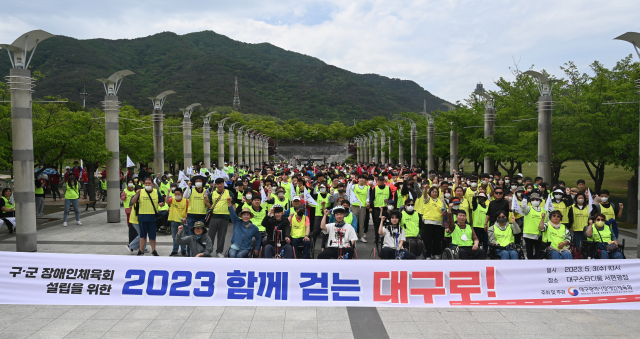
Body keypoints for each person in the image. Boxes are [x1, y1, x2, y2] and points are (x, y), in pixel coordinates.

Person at [129, 177, 165, 256]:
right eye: (146, 183)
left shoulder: (156, 192)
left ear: (152, 184)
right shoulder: (140, 192)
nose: (147, 185)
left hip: (153, 217)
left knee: (152, 236)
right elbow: (132, 202)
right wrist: (137, 194)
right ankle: (141, 251)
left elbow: (161, 201)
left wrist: (161, 204)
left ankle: (154, 250)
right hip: (142, 217)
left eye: (149, 183)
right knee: (142, 235)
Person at [415, 186, 445, 259]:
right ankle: (428, 255)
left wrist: (442, 212)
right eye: (433, 192)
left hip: (438, 223)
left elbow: (443, 209)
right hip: (428, 222)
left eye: (436, 192)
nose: (435, 193)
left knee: (437, 240)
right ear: (430, 192)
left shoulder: (440, 201)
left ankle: (436, 254)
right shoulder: (428, 199)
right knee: (428, 240)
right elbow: (425, 195)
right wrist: (425, 189)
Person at [207, 178, 232, 258]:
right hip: (214, 217)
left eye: (221, 183)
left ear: (223, 184)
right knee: (211, 235)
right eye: (217, 184)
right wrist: (205, 200)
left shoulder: (229, 192)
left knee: (222, 236)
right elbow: (210, 205)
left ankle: (219, 251)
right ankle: (208, 250)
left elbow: (233, 204)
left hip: (224, 217)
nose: (219, 185)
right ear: (216, 185)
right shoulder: (213, 193)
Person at [521, 192, 547, 259]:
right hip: (528, 234)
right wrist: (525, 197)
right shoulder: (528, 209)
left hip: (539, 235)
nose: (535, 201)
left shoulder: (544, 210)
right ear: (530, 201)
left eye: (537, 199)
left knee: (538, 253)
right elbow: (523, 206)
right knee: (529, 252)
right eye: (533, 199)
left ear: (540, 201)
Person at [167, 187, 189, 256]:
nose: (177, 195)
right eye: (175, 194)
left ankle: (183, 250)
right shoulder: (172, 199)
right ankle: (174, 250)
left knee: (182, 237)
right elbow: (167, 201)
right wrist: (168, 192)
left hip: (182, 221)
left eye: (178, 194)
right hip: (173, 221)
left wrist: (186, 218)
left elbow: (188, 211)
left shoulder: (186, 201)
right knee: (174, 237)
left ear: (182, 194)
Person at [351, 174, 370, 243]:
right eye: (360, 178)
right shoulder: (354, 186)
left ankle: (362, 236)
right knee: (354, 221)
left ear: (365, 180)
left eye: (363, 178)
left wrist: (367, 202)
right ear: (358, 179)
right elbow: (350, 194)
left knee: (362, 222)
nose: (362, 179)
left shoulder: (367, 188)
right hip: (355, 205)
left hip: (363, 206)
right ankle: (354, 236)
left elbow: (367, 197)